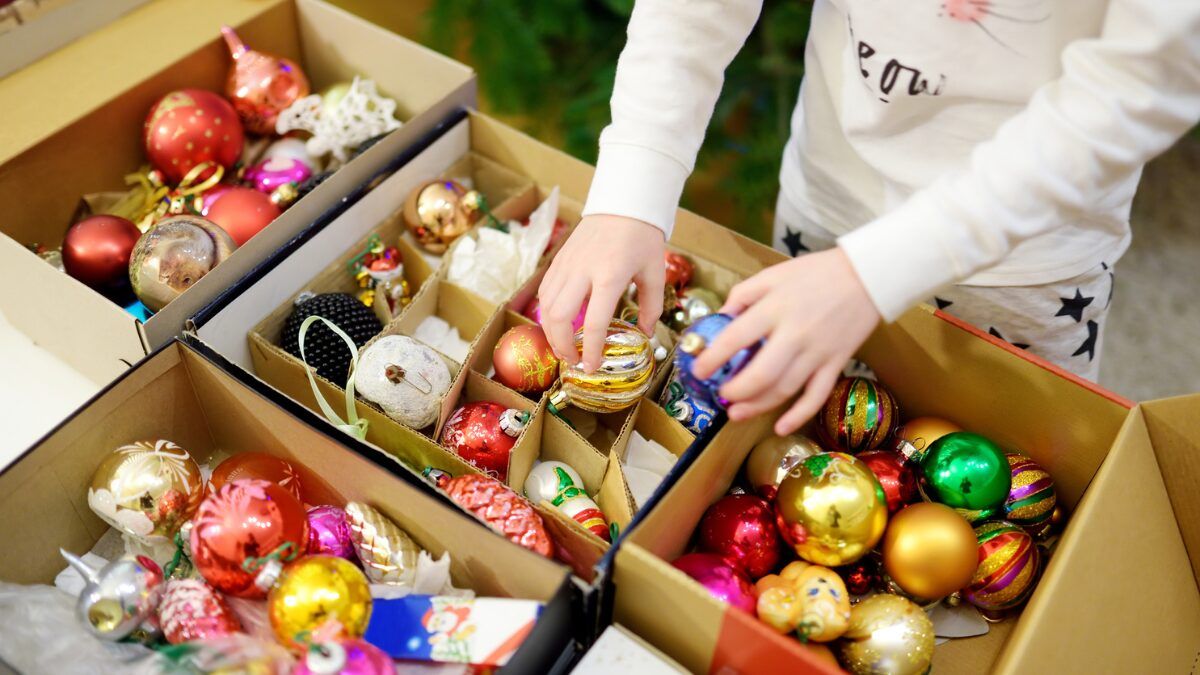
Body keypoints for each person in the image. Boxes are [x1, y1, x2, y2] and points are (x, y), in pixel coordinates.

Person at [537, 0, 1200, 435]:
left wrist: (875, 272)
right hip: (829, 194)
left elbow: (1141, 87)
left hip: (1024, 260)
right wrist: (636, 178)